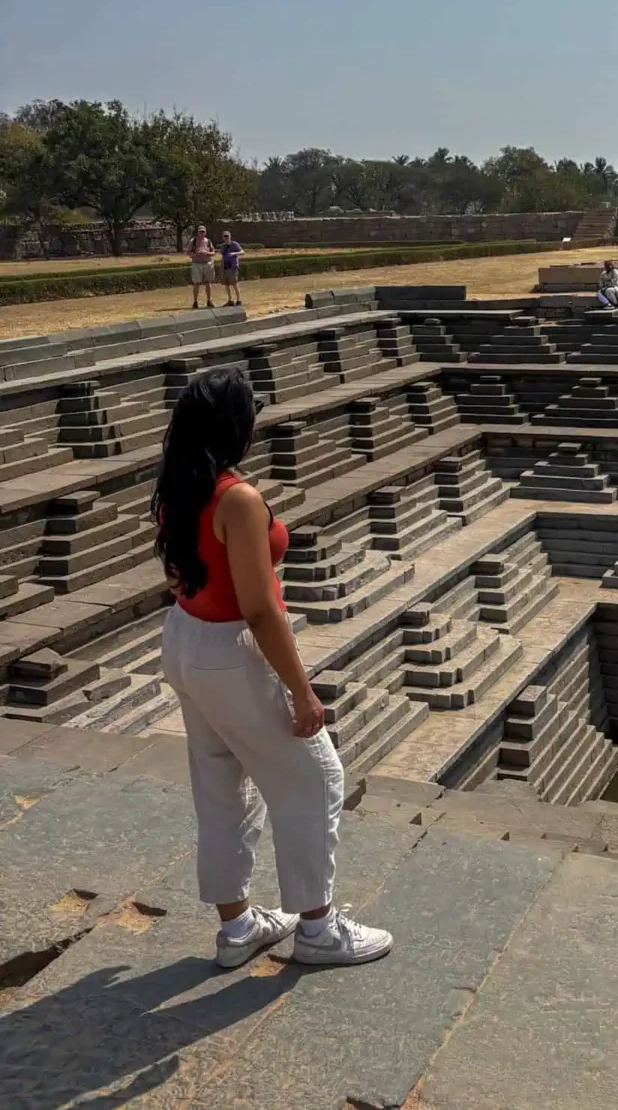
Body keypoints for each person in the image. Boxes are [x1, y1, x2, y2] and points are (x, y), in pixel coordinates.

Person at [154, 367, 393, 970]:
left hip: (185, 638)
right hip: (231, 650)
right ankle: (318, 929)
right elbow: (261, 609)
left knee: (218, 787)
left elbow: (180, 571)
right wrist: (303, 693)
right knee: (315, 781)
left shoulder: (178, 484)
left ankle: (236, 928)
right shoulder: (237, 498)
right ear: (236, 427)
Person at [187, 226, 216, 309]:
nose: (202, 233)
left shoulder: (208, 241)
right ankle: (195, 302)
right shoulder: (193, 241)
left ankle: (209, 301)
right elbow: (188, 252)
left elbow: (213, 252)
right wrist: (196, 254)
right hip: (196, 264)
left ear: (205, 232)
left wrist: (206, 253)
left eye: (203, 232)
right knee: (196, 283)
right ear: (198, 232)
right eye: (200, 232)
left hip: (207, 263)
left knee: (208, 283)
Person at [219, 230, 244, 307]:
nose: (226, 238)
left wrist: (234, 253)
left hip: (233, 267)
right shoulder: (223, 246)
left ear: (230, 236)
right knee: (226, 284)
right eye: (224, 236)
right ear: (223, 237)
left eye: (227, 236)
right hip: (225, 267)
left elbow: (242, 252)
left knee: (235, 284)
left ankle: (239, 300)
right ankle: (230, 300)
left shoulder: (235, 244)